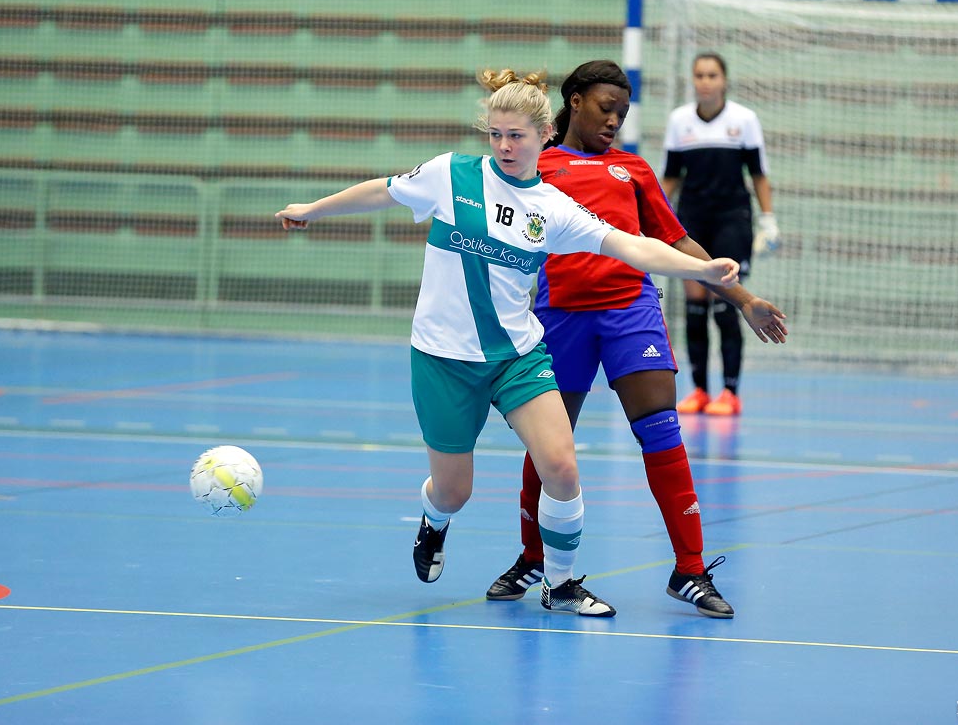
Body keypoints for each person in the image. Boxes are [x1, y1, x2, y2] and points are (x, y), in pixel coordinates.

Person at [275, 69, 743, 618]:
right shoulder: (450, 175)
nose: (504, 146)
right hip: (444, 360)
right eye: (495, 134)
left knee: (561, 466)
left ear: (544, 134)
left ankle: (561, 585)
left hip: (517, 357)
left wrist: (703, 268)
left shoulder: (552, 207)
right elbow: (383, 190)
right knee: (454, 491)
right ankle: (435, 521)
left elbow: (631, 247)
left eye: (516, 135)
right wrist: (312, 208)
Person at [485, 60, 786, 619]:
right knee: (549, 447)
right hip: (559, 318)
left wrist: (743, 299)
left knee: (662, 433)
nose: (615, 121)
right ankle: (533, 557)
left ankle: (689, 569)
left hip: (631, 313)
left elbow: (677, 243)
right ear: (573, 102)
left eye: (623, 112)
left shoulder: (635, 170)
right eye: (606, 108)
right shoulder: (536, 166)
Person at [661, 51, 778, 418]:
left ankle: (729, 391)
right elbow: (670, 177)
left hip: (732, 219)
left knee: (728, 302)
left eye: (712, 75)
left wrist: (768, 219)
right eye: (699, 75)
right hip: (692, 220)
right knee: (695, 306)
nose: (705, 81)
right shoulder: (679, 121)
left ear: (724, 80)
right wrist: (653, 218)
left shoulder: (744, 120)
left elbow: (758, 174)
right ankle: (697, 390)